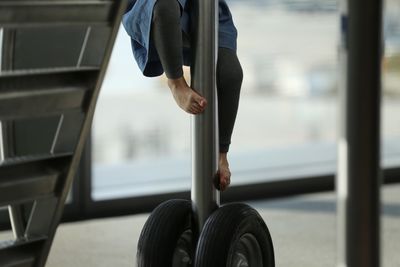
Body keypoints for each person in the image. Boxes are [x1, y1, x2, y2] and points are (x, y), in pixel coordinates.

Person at [122, 0, 243, 191]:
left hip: (205, 6)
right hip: (158, 4)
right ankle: (176, 82)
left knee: (230, 74)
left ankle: (221, 154)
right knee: (165, 6)